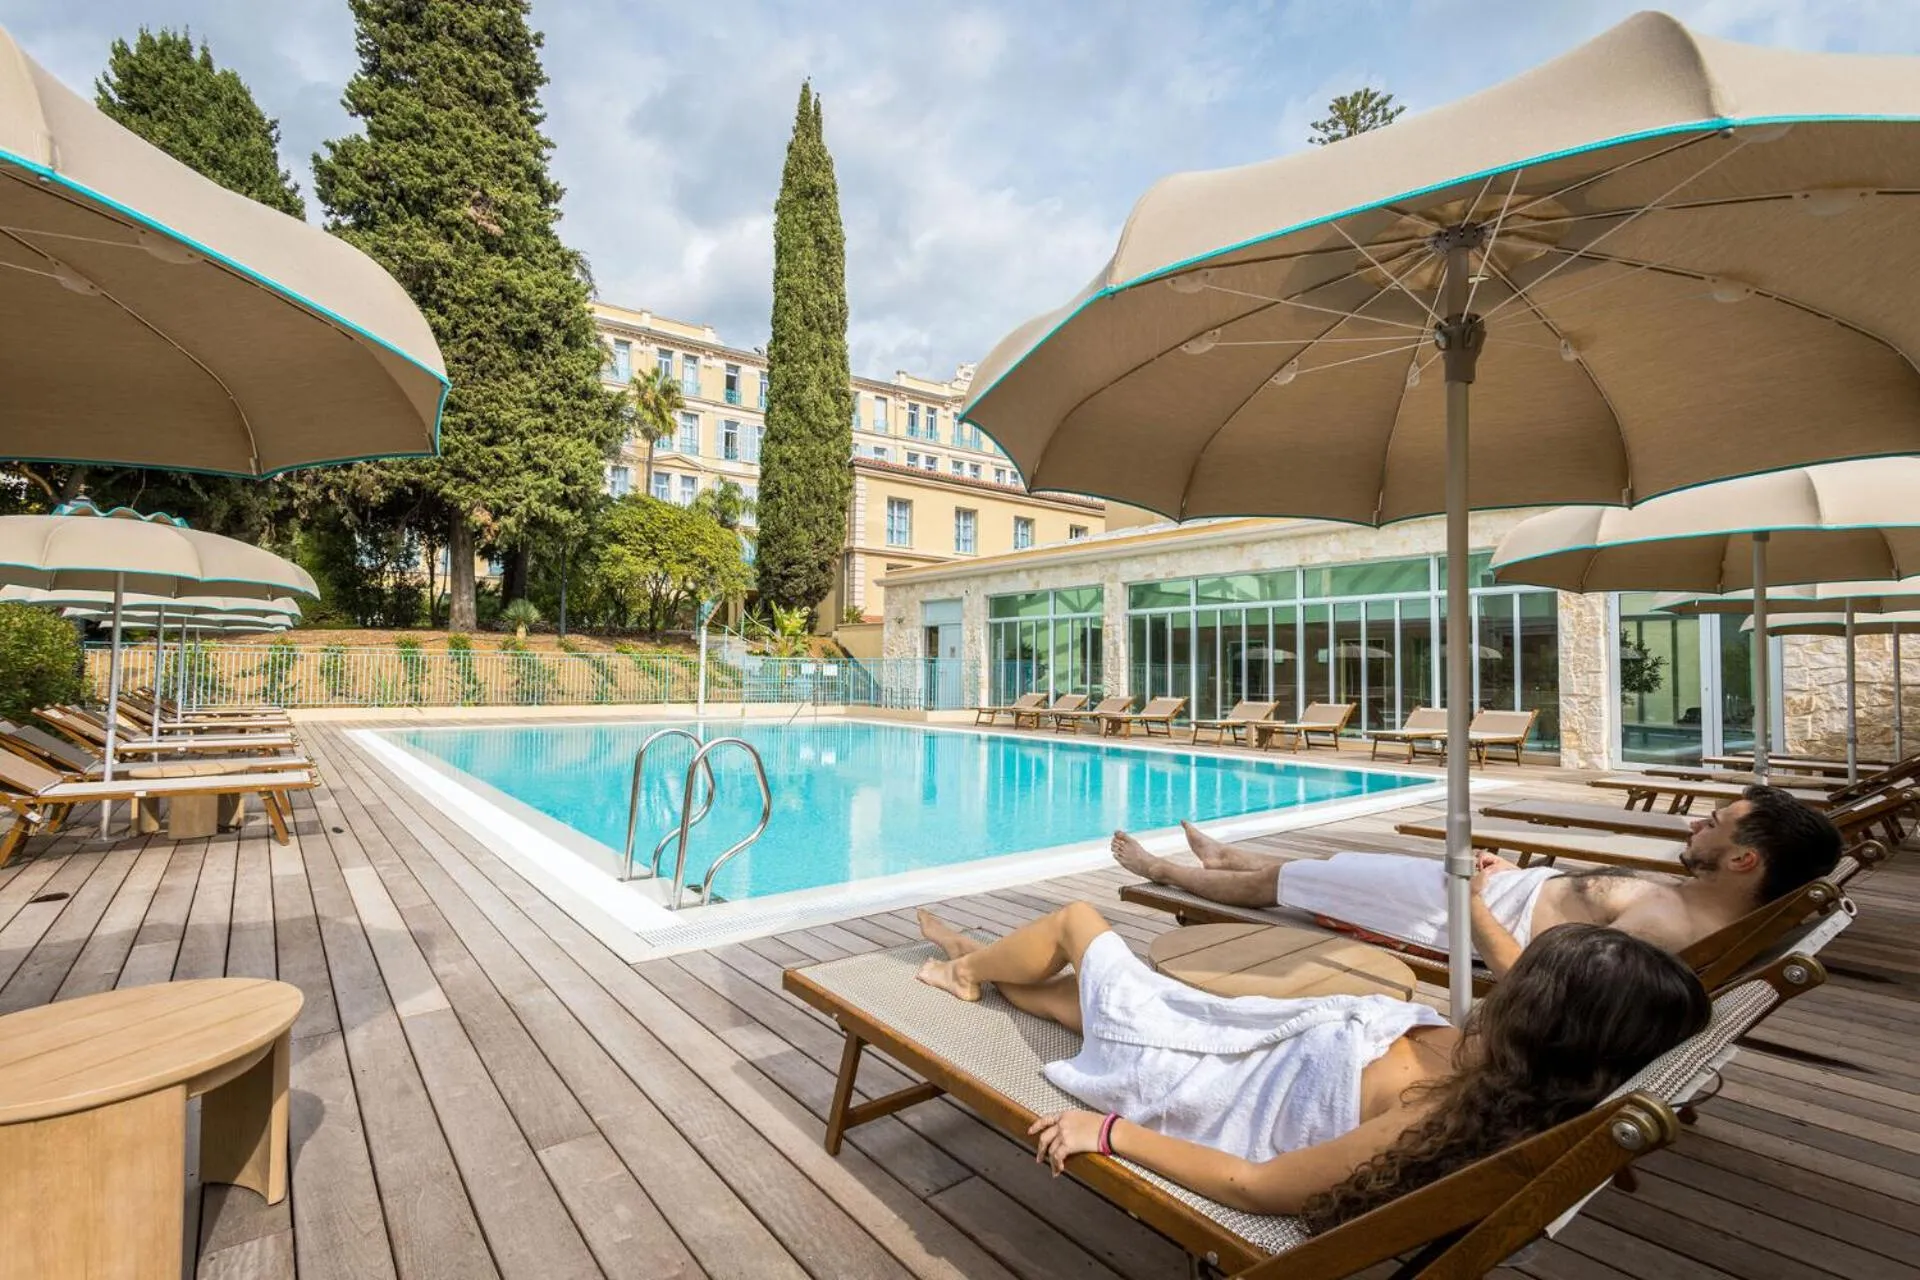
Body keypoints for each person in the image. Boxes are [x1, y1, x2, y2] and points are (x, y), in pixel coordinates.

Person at [913, 903, 1709, 1228]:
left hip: (1189, 1074)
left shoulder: (1433, 1113)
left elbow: (1254, 1185)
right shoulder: (1503, 1076)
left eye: (1521, 985)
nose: (1503, 986)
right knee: (1074, 999)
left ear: (1542, 1021)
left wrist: (1110, 1131)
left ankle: (967, 968)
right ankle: (978, 959)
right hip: (1225, 1038)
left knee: (1077, 922)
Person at [1111, 785, 1842, 975]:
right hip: (1495, 891)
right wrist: (1515, 875)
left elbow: (1528, 977)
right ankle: (1226, 860)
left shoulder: (1665, 932)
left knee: (1287, 885)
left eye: (1713, 823)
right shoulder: (1693, 904)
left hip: (1456, 918)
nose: (1695, 825)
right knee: (1327, 869)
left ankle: (1165, 871)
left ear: (1744, 860)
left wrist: (1473, 903)